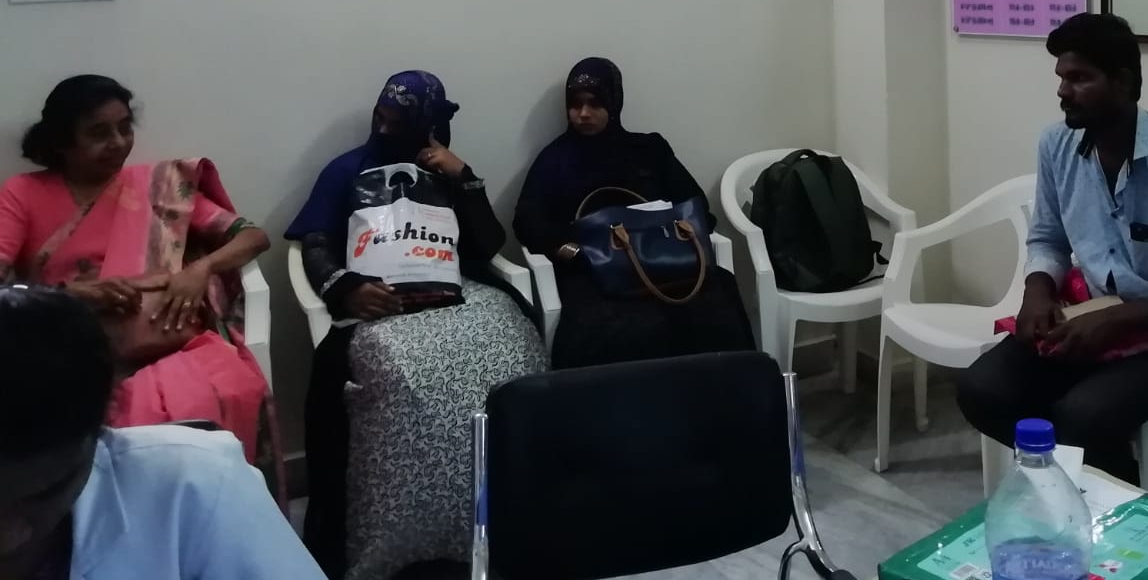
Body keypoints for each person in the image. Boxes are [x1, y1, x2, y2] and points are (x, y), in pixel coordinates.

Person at [956, 13, 1148, 482]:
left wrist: (1120, 318)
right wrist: (1037, 291)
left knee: (1083, 416)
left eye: (1079, 78)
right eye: (1061, 77)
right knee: (981, 389)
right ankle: (1076, 483)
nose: (1063, 91)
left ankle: (1108, 491)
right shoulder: (1057, 146)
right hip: (1090, 318)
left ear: (1124, 82)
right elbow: (1048, 238)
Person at [286, 70, 548, 580]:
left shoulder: (442, 167)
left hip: (455, 289)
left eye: (398, 123)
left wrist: (463, 176)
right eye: (380, 118)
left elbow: (487, 245)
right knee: (395, 373)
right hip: (377, 302)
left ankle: (501, 515)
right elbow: (315, 242)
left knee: (513, 344)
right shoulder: (347, 169)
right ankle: (398, 534)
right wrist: (346, 286)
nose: (385, 130)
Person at [0, 75, 281, 494]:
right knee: (109, 421)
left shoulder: (163, 188)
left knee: (229, 391)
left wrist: (200, 269)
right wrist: (71, 295)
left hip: (174, 343)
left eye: (124, 127)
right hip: (70, 349)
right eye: (99, 133)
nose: (118, 142)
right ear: (62, 142)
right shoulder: (23, 193)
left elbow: (252, 237)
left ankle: (213, 521)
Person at [0, 285, 322, 580]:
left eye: (47, 493)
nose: (9, 538)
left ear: (101, 433)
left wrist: (194, 274)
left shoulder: (196, 484)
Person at [514, 57, 754, 368]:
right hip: (595, 272)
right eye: (575, 104)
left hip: (665, 264)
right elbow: (527, 220)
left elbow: (694, 205)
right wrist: (574, 252)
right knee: (611, 329)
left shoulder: (649, 150)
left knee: (715, 302)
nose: (583, 113)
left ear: (614, 103)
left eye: (595, 103)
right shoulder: (555, 159)